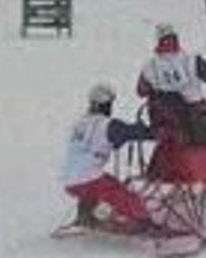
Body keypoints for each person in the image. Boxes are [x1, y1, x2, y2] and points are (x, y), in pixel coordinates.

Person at [61, 83, 158, 232]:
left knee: (91, 187)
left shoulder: (80, 123)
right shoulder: (107, 124)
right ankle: (144, 224)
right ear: (107, 105)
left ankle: (85, 217)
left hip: (69, 180)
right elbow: (131, 132)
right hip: (90, 179)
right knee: (123, 195)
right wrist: (156, 132)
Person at [136, 23, 206, 145]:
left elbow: (141, 91)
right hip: (196, 109)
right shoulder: (191, 59)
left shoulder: (149, 66)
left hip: (167, 117)